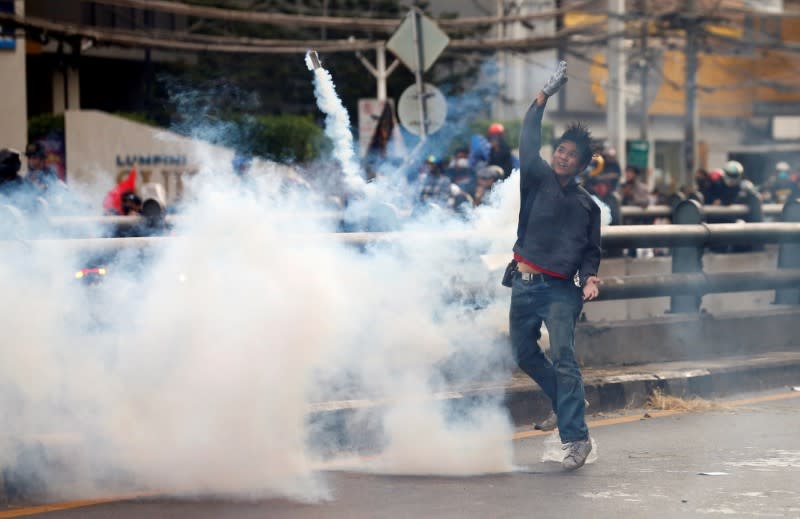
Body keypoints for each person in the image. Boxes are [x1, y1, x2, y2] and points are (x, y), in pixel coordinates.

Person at [507, 60, 601, 471]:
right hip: (525, 283)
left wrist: (592, 277)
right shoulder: (535, 177)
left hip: (562, 289)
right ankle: (569, 401)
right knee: (525, 354)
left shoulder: (587, 206)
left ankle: (576, 438)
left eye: (571, 155)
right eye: (560, 150)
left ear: (581, 165)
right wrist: (542, 98)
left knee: (564, 358)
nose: (563, 157)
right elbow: (528, 138)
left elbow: (590, 251)